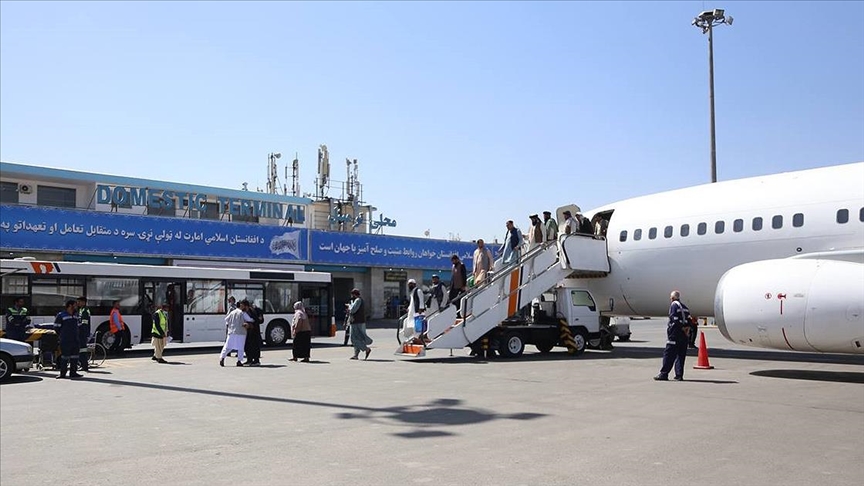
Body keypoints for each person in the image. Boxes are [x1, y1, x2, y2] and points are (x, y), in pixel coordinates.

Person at [654, 290, 692, 381]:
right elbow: (690, 320)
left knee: (669, 354)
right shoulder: (685, 307)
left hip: (675, 334)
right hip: (684, 336)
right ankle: (679, 375)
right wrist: (686, 329)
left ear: (672, 298)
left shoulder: (674, 305)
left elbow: (674, 319)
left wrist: (680, 328)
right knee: (680, 355)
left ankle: (664, 374)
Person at [219, 299, 254, 367]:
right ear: (241, 306)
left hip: (231, 332)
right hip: (241, 332)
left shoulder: (232, 312)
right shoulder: (243, 313)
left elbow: (226, 319)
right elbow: (250, 319)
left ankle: (222, 358)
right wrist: (254, 320)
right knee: (240, 347)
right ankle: (239, 361)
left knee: (227, 346)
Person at [54, 300, 82, 379]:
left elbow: (79, 326)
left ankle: (73, 372)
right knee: (65, 357)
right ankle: (62, 374)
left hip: (75, 339)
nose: (76, 307)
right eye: (75, 305)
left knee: (75, 357)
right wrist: (62, 335)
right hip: (65, 340)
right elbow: (56, 327)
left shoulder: (76, 315)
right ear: (70, 306)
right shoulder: (61, 315)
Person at [347, 289, 372, 360]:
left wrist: (349, 306)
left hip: (357, 322)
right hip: (358, 322)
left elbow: (353, 310)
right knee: (358, 338)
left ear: (354, 294)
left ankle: (366, 349)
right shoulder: (359, 300)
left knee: (353, 339)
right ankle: (356, 355)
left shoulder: (358, 300)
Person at [401, 279, 426, 343]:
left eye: (411, 284)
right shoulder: (412, 292)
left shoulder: (418, 290)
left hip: (417, 311)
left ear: (414, 284)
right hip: (412, 311)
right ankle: (415, 337)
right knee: (412, 325)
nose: (410, 285)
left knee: (417, 325)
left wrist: (421, 309)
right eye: (409, 284)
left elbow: (421, 300)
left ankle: (418, 338)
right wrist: (409, 308)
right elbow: (412, 302)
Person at [244, 301, 264, 366]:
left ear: (246, 306)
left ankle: (256, 360)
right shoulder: (244, 312)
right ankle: (249, 360)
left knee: (255, 346)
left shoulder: (254, 311)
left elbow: (259, 320)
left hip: (254, 332)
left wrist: (251, 324)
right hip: (247, 332)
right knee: (247, 346)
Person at [75, 296, 91, 371]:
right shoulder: (81, 310)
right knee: (81, 349)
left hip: (82, 333)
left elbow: (84, 323)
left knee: (82, 349)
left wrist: (77, 326)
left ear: (83, 302)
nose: (77, 303)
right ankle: (83, 364)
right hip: (81, 332)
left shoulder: (85, 311)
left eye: (79, 301)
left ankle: (84, 365)